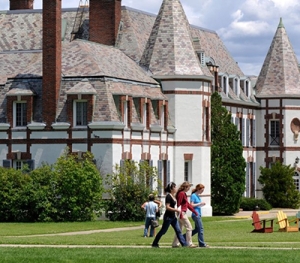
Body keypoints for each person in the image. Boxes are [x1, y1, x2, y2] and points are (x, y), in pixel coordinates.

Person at [152, 182, 188, 248]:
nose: (176, 188)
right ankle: (155, 243)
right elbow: (167, 207)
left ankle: (184, 245)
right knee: (163, 231)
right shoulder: (168, 196)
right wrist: (176, 210)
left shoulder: (173, 196)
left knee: (178, 231)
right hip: (168, 217)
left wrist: (176, 211)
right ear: (171, 189)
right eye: (175, 187)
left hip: (173, 217)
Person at [172, 181, 198, 248]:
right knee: (189, 228)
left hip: (182, 213)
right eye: (189, 187)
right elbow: (179, 204)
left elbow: (187, 204)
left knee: (179, 230)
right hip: (182, 213)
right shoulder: (181, 194)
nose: (189, 188)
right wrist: (180, 213)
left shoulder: (183, 194)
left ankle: (175, 243)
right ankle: (189, 243)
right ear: (186, 187)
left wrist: (193, 211)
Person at [189, 183, 209, 248]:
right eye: (202, 190)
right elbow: (191, 205)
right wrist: (200, 203)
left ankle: (184, 237)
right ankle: (202, 243)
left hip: (198, 214)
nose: (202, 191)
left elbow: (196, 205)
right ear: (198, 189)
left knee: (197, 229)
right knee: (201, 228)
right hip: (195, 214)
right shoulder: (193, 195)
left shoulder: (197, 196)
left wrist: (200, 204)